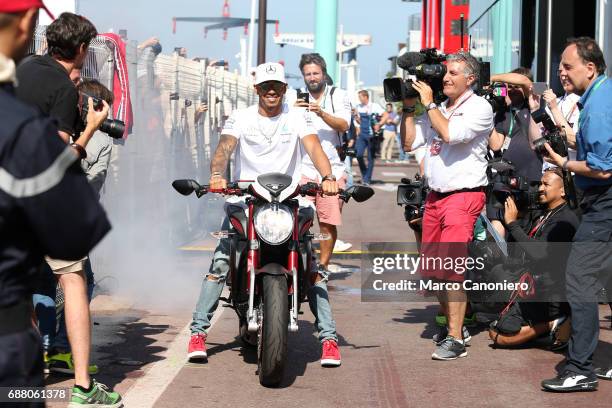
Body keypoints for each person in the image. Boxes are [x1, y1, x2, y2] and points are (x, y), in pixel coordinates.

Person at [0, 2, 120, 406]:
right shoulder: (65, 91)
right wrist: (89, 129)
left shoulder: (22, 67)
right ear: (82, 49)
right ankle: (84, 387)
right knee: (72, 278)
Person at [187, 62, 343, 367]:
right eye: (265, 86)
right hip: (246, 200)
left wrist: (328, 177)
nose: (271, 91)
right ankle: (198, 333)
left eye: (277, 86)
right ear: (256, 89)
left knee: (312, 267)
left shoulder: (298, 117)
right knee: (221, 262)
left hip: (290, 201)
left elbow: (314, 149)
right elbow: (224, 148)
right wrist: (218, 173)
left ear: (285, 89)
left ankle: (328, 338)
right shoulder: (240, 118)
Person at [401, 51, 494, 360]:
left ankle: (455, 337)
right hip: (435, 197)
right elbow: (409, 143)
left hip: (462, 196)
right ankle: (455, 328)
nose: (446, 77)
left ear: (470, 79)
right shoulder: (439, 108)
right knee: (434, 272)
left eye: (454, 73)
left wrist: (428, 104)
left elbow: (451, 134)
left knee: (452, 270)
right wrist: (407, 108)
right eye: (445, 72)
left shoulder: (480, 107)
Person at [540, 37, 612, 392]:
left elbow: (602, 168)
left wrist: (563, 162)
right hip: (602, 203)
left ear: (590, 67)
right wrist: (565, 142)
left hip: (604, 203)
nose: (561, 72)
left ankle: (581, 368)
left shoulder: (598, 103)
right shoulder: (600, 96)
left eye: (567, 66)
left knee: (579, 279)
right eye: (560, 66)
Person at [46, 79, 114, 375]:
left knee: (43, 284)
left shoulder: (55, 127)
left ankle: (47, 347)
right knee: (80, 281)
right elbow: (94, 182)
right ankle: (63, 349)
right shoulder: (100, 138)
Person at [488, 168, 578, 348]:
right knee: (497, 274)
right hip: (536, 284)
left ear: (562, 191)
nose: (540, 189)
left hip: (552, 293)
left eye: (546, 184)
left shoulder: (565, 219)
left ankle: (554, 323)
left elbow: (539, 253)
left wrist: (513, 224)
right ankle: (550, 332)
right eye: (540, 184)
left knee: (500, 336)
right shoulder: (546, 212)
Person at [294, 53, 352, 268]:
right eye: (307, 74)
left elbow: (344, 125)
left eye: (315, 73)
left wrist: (320, 113)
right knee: (297, 221)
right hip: (303, 169)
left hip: (332, 170)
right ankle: (301, 263)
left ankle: (323, 267)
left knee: (327, 223)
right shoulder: (295, 97)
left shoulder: (339, 95)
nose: (312, 77)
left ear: (324, 73)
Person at [354, 90, 384, 185]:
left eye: (360, 97)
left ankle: (367, 179)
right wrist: (356, 118)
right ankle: (365, 174)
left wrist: (379, 124)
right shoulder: (358, 107)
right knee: (358, 154)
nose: (359, 99)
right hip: (362, 135)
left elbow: (386, 115)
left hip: (372, 136)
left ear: (366, 97)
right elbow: (358, 121)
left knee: (371, 158)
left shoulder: (375, 106)